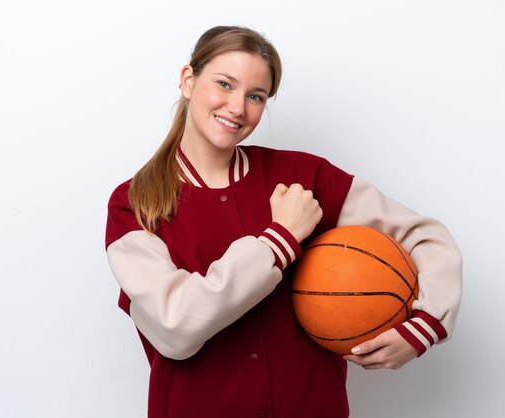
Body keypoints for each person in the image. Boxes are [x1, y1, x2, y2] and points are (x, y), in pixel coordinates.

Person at [105, 25, 462, 418]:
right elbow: (177, 327)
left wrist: (426, 324)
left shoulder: (304, 177)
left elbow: (424, 236)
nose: (238, 108)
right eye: (224, 84)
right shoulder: (133, 204)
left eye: (255, 96)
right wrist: (279, 240)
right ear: (188, 80)